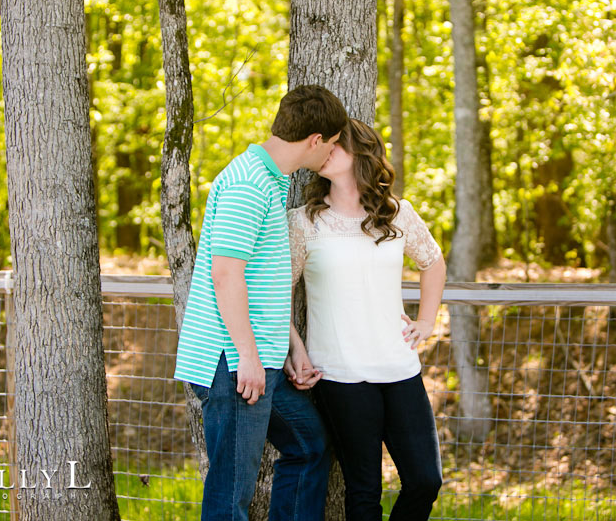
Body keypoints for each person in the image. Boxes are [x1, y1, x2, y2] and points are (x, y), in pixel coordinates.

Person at [173, 85, 348, 521]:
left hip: (257, 358)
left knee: (309, 445)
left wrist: (282, 348)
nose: (331, 154)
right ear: (315, 141)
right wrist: (248, 357)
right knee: (230, 494)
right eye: (331, 143)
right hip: (230, 363)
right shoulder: (248, 182)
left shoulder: (272, 180)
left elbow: (260, 281)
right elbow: (226, 273)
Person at [286, 118, 447, 520]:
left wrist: (426, 321)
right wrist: (297, 347)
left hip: (400, 368)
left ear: (360, 153)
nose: (325, 152)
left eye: (336, 145)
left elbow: (433, 261)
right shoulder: (304, 222)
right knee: (363, 494)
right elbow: (273, 294)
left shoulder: (396, 213)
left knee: (426, 481)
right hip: (340, 376)